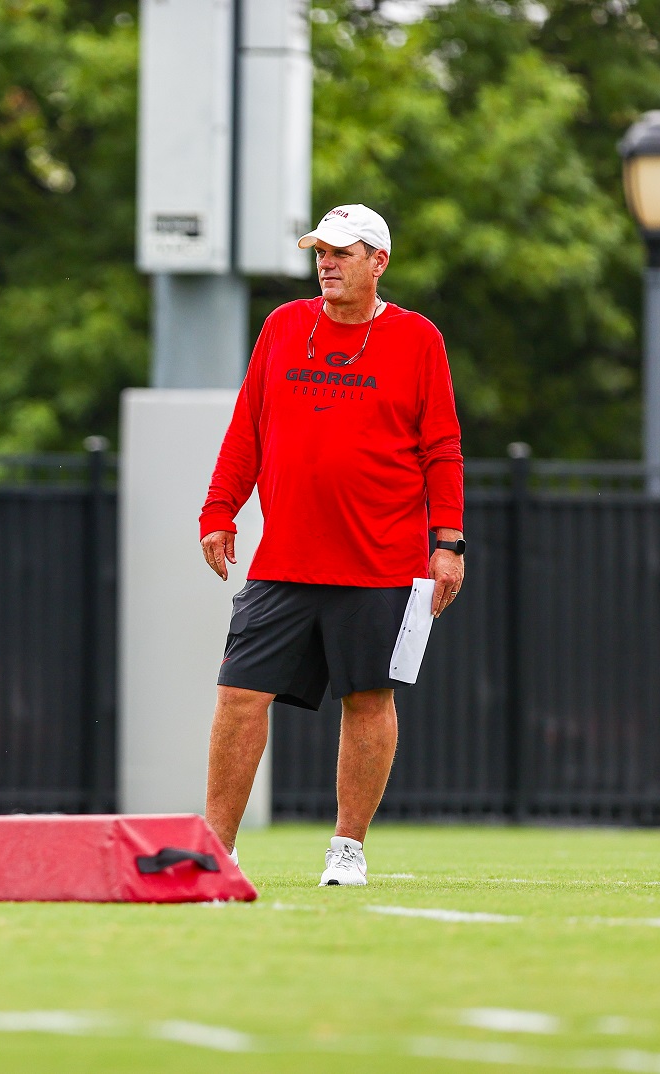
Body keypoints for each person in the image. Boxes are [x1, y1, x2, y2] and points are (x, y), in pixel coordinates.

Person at [198, 204, 465, 886]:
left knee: (368, 700)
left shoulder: (417, 338)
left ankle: (346, 848)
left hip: (379, 560)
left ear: (378, 261)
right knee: (237, 697)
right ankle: (214, 850)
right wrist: (219, 508)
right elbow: (247, 426)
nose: (326, 262)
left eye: (342, 252)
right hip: (284, 559)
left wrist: (448, 541)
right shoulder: (283, 326)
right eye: (320, 251)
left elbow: (440, 446)